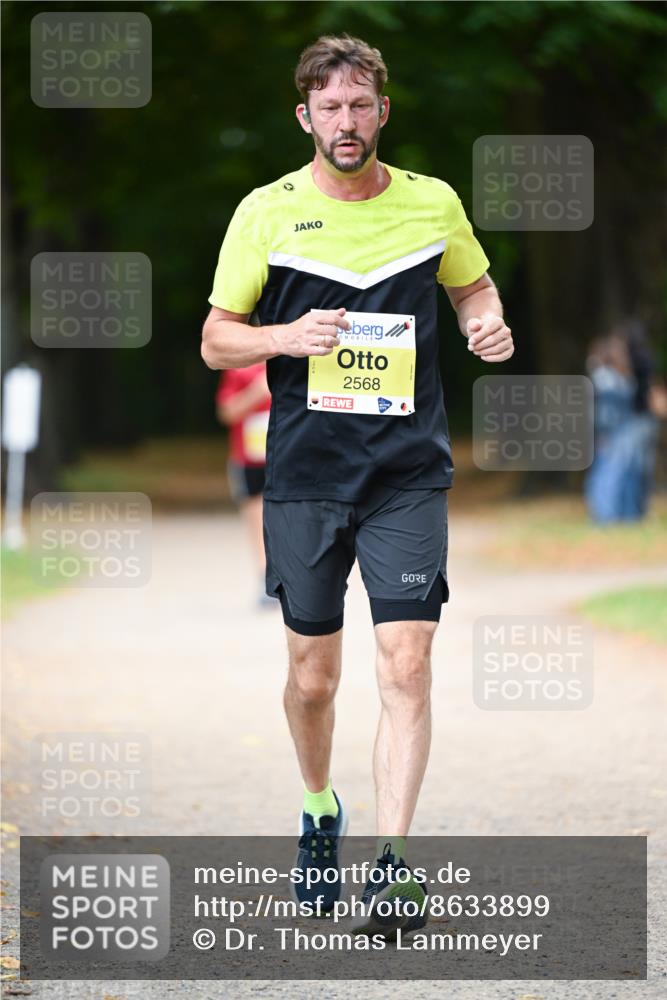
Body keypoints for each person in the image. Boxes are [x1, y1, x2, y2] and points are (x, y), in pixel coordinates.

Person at [201, 34, 514, 937]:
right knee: (312, 678)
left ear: (384, 111)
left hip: (407, 472)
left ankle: (392, 865)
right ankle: (315, 807)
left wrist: (486, 325)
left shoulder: (432, 203)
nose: (346, 121)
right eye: (328, 108)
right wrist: (281, 338)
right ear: (306, 117)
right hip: (305, 474)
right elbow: (218, 339)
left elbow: (473, 291)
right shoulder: (265, 212)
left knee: (406, 665)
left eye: (360, 105)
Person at [215, 364, 274, 605]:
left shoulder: (296, 357)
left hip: (286, 455)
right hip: (249, 457)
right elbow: (226, 412)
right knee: (255, 516)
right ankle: (265, 579)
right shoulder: (240, 368)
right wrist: (257, 392)